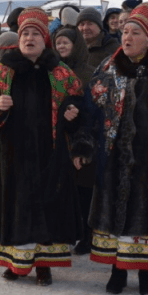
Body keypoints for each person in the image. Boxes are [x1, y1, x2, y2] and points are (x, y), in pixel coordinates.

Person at [0, 7, 86, 286]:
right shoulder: (4, 70)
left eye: (36, 33)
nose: (30, 38)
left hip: (50, 154)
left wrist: (72, 115)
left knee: (48, 208)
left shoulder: (60, 72)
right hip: (12, 154)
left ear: (45, 39)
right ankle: (17, 264)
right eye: (25, 33)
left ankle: (44, 266)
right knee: (15, 207)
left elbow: (80, 107)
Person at [82, 3, 148, 295]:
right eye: (124, 31)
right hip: (113, 156)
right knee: (114, 214)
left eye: (135, 32)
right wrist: (84, 141)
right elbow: (90, 110)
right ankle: (117, 271)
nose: (127, 37)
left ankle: (147, 273)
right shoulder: (108, 70)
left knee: (146, 213)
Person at [52, 25, 96, 255]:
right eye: (58, 42)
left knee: (83, 188)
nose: (61, 46)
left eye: (65, 42)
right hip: (58, 136)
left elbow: (91, 108)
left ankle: (87, 235)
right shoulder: (51, 70)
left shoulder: (88, 72)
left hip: (81, 135)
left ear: (75, 44)